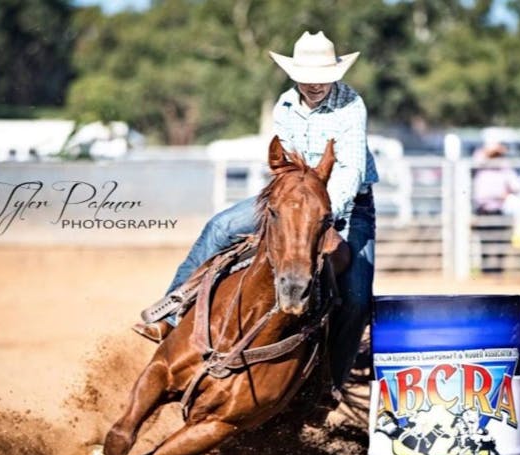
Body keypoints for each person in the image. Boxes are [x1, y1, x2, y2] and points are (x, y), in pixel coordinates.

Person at [133, 31, 378, 391]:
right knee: (220, 227)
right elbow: (285, 166)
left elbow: (350, 170)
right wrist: (298, 208)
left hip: (347, 206)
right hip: (293, 201)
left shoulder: (350, 106)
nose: (314, 85)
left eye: (322, 78)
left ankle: (331, 383)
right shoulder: (286, 106)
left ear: (335, 76)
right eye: (306, 78)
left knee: (357, 298)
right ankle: (170, 314)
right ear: (294, 75)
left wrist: (322, 215)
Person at [471, 141, 520, 216]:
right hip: (481, 209)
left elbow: (516, 186)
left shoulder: (505, 168)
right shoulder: (481, 165)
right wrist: (491, 152)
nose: (495, 156)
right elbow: (477, 159)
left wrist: (507, 194)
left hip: (499, 209)